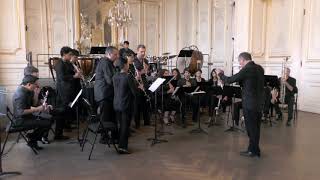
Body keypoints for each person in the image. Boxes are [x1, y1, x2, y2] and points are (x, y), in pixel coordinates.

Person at [216, 52, 265, 158]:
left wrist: (220, 74)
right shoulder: (260, 68)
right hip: (259, 103)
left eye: (240, 62)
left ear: (243, 60)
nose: (240, 64)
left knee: (251, 128)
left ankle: (254, 151)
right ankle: (254, 149)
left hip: (249, 103)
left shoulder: (247, 69)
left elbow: (229, 80)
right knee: (256, 128)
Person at [12, 75, 52, 150]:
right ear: (29, 84)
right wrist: (37, 109)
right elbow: (21, 112)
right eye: (35, 84)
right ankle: (32, 139)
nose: (37, 86)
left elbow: (33, 105)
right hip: (20, 120)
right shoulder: (21, 94)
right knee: (46, 123)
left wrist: (36, 94)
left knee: (49, 119)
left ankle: (32, 139)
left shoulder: (28, 91)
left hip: (27, 117)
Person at [113, 57, 139, 154]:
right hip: (126, 105)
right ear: (124, 65)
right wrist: (136, 83)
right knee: (125, 127)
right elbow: (134, 92)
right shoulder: (128, 77)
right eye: (128, 64)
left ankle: (120, 144)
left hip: (116, 104)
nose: (129, 65)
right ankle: (122, 147)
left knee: (121, 125)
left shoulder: (115, 76)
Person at [94, 46, 119, 143]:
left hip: (105, 93)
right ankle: (104, 138)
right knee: (105, 116)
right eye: (115, 54)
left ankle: (114, 135)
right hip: (104, 94)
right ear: (109, 54)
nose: (117, 56)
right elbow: (110, 79)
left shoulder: (108, 62)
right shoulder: (105, 62)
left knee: (110, 115)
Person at [55, 46, 82, 130]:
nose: (71, 56)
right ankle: (59, 133)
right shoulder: (59, 64)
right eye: (69, 54)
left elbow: (71, 71)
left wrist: (77, 71)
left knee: (67, 109)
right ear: (64, 54)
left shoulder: (67, 62)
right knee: (62, 109)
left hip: (68, 89)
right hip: (63, 90)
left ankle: (67, 125)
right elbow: (62, 77)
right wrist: (74, 76)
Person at [133, 44, 150, 128]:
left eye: (144, 52)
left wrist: (146, 71)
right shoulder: (133, 60)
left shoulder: (145, 61)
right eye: (141, 52)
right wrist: (145, 70)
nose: (143, 53)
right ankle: (137, 124)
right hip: (137, 85)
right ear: (137, 51)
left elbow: (147, 72)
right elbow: (137, 73)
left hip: (144, 84)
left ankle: (147, 122)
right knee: (137, 105)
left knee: (145, 104)